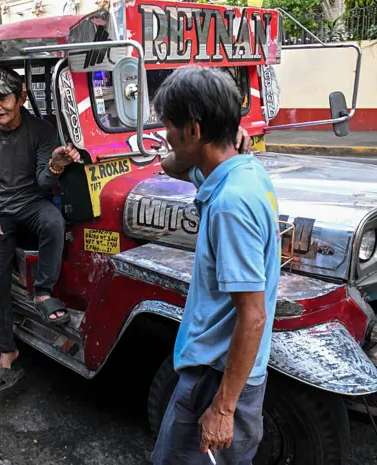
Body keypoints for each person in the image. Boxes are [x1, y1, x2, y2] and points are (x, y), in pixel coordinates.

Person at [151, 67, 280, 465]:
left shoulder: (230, 204)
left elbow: (253, 316)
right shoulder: (243, 170)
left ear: (193, 129)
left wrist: (223, 409)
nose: (164, 136)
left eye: (169, 126)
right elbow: (172, 165)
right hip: (223, 372)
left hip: (216, 379)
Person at [0, 68, 81, 392]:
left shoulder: (41, 131)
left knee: (54, 222)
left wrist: (56, 165)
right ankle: (7, 350)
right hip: (0, 215)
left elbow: (46, 184)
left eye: (3, 98)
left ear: (20, 98)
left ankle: (43, 291)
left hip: (32, 204)